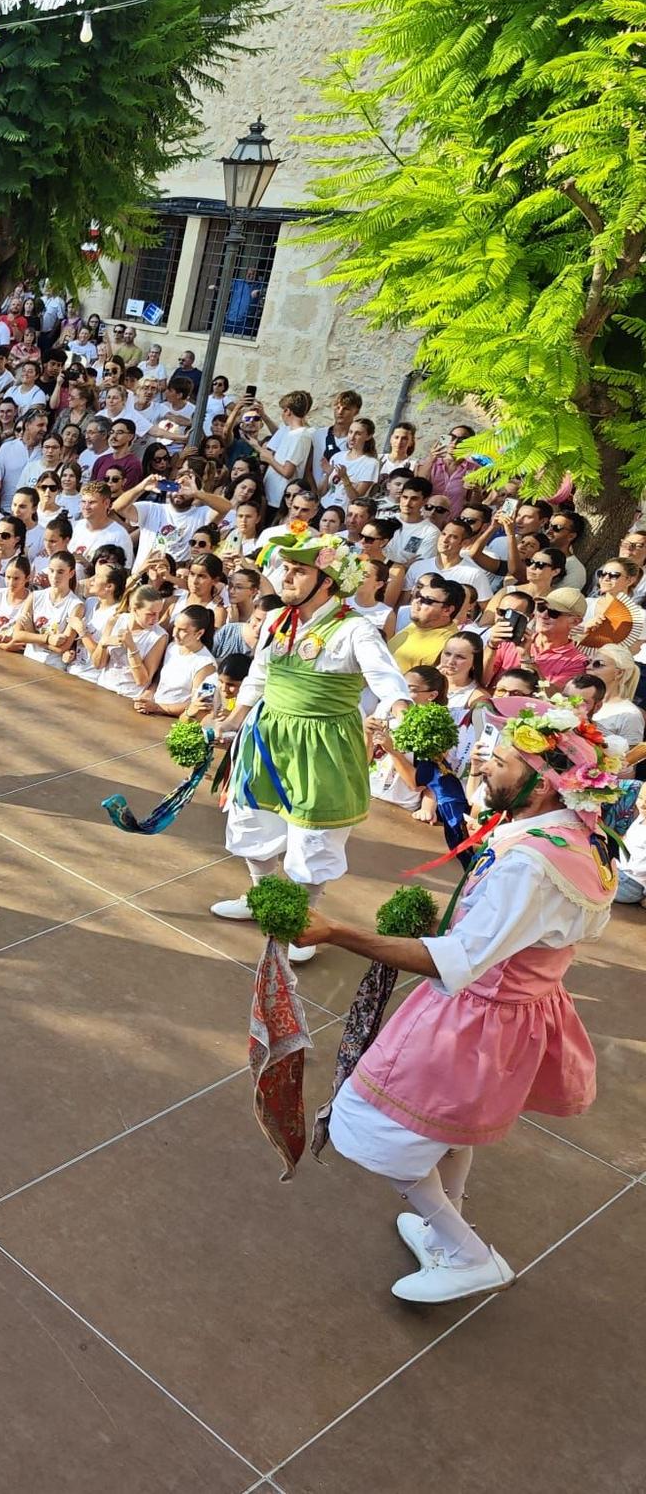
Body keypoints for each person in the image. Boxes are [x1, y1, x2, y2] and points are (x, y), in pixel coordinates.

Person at [298, 700, 622, 1302]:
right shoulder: (582, 837)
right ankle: (446, 1236)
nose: (482, 763)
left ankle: (467, 1254)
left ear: (543, 785)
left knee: (378, 1129)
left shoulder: (529, 864)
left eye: (500, 760)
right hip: (519, 1010)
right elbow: (523, 932)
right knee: (450, 1128)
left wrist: (336, 932)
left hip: (476, 1014)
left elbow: (460, 959)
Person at [210, 534, 411, 961]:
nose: (287, 577)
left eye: (299, 571)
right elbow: (260, 674)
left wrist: (399, 707)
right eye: (286, 569)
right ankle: (263, 898)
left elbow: (386, 677)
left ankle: (303, 920)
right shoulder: (275, 619)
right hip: (267, 735)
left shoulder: (355, 628)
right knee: (252, 819)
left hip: (324, 744)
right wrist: (233, 718)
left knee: (314, 835)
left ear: (327, 582)